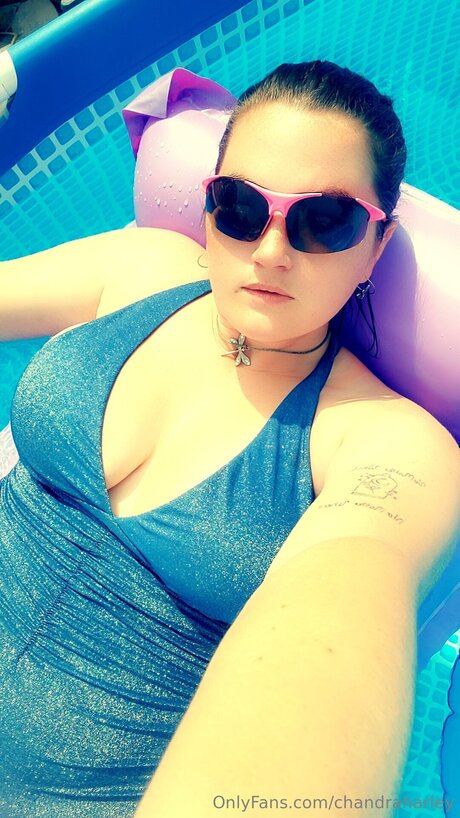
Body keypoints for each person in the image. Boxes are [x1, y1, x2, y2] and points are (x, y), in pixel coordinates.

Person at [0, 60, 458, 818]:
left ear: (377, 246)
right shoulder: (140, 271)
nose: (271, 251)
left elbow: (343, 617)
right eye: (241, 206)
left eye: (325, 221)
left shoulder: (389, 446)